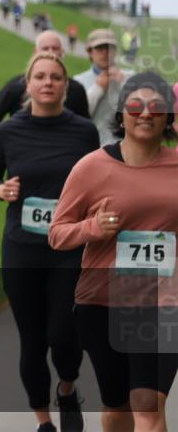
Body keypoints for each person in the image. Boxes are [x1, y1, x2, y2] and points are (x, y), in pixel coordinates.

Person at [49, 72, 178, 432]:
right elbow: (57, 234)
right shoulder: (91, 167)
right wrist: (93, 228)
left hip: (164, 303)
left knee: (148, 409)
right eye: (136, 105)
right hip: (102, 302)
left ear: (169, 116)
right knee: (118, 408)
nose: (146, 113)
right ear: (121, 114)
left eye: (158, 107)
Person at [0, 51, 100, 432]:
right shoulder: (9, 131)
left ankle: (66, 388)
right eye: (40, 77)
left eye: (56, 77)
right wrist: (0, 188)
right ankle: (43, 421)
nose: (48, 83)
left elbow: (96, 180)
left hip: (69, 248)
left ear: (66, 86)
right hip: (21, 247)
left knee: (64, 334)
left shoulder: (83, 131)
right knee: (32, 341)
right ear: (27, 86)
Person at [0, 30, 91, 135]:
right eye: (45, 48)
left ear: (62, 52)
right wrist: (9, 139)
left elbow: (85, 126)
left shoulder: (76, 89)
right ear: (35, 52)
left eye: (55, 48)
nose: (50, 52)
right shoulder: (17, 85)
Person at [75, 29, 135, 146]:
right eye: (99, 48)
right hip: (91, 146)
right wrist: (98, 88)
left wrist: (123, 84)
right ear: (90, 52)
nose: (105, 52)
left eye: (109, 48)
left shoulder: (131, 76)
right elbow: (79, 115)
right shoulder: (79, 80)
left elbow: (140, 111)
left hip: (125, 147)